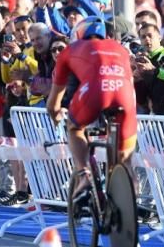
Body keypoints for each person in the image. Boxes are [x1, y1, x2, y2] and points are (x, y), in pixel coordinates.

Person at [46, 17, 137, 192]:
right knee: (126, 162)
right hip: (125, 96)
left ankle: (84, 174)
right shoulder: (120, 49)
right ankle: (130, 202)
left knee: (74, 127)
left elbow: (53, 102)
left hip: (95, 91)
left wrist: (55, 115)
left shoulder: (70, 50)